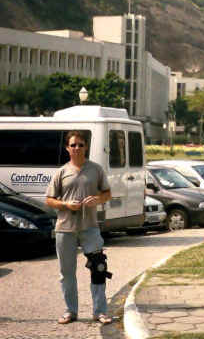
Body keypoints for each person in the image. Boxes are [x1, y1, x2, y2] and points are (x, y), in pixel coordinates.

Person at [45, 131, 113, 325]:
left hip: (89, 227)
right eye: (73, 145)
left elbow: (107, 193)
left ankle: (100, 312)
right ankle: (70, 311)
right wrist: (66, 205)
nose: (77, 148)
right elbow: (49, 200)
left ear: (86, 147)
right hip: (65, 228)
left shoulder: (96, 169)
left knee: (99, 267)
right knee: (67, 272)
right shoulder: (61, 172)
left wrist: (98, 199)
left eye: (80, 145)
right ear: (67, 148)